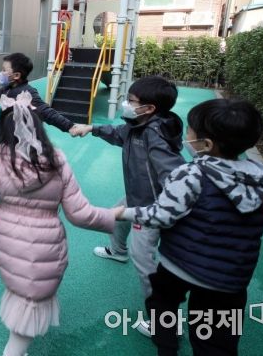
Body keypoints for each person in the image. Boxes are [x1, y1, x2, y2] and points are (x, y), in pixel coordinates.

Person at [0, 91, 119, 356]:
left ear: (3, 130)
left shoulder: (0, 160)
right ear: (37, 126)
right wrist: (113, 216)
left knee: (22, 287)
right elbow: (79, 213)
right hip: (44, 245)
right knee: (32, 303)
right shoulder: (57, 160)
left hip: (6, 240)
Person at [117, 99, 263, 355]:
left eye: (190, 131)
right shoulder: (261, 176)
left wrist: (123, 212)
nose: (186, 136)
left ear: (206, 144)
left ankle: (166, 347)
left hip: (180, 266)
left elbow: (161, 215)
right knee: (216, 341)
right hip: (231, 279)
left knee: (162, 306)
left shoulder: (191, 174)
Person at [70, 75, 185, 336]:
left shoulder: (155, 137)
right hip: (137, 196)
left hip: (151, 207)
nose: (126, 104)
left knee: (144, 261)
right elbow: (119, 133)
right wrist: (91, 128)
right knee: (118, 219)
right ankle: (116, 251)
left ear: (149, 108)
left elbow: (174, 176)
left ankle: (164, 320)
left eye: (131, 101)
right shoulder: (139, 126)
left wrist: (164, 207)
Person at [0, 52, 85, 136]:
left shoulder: (27, 93)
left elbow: (45, 111)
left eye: (4, 70)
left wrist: (69, 126)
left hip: (21, 141)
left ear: (16, 75)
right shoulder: (7, 89)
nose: (1, 73)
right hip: (6, 137)